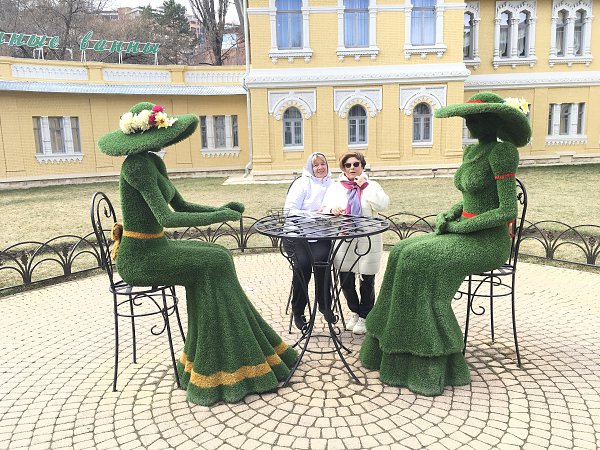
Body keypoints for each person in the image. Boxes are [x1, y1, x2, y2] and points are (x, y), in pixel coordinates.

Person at [97, 102, 297, 406]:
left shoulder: (153, 163)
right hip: (140, 258)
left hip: (158, 246)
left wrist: (221, 209)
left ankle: (242, 346)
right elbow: (167, 218)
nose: (166, 141)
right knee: (214, 262)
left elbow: (182, 205)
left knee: (220, 255)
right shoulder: (136, 166)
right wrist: (219, 218)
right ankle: (219, 364)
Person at [360, 92, 531, 396]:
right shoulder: (472, 152)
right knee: (401, 251)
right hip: (461, 233)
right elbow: (470, 198)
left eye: (472, 118)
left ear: (490, 121)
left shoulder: (503, 153)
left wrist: (463, 226)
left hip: (488, 242)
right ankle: (388, 346)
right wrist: (451, 213)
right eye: (466, 118)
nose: (467, 124)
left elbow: (507, 211)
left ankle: (434, 358)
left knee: (418, 259)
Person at [321, 152, 389, 335]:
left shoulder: (371, 185)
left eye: (356, 164)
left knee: (367, 279)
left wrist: (364, 186)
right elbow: (324, 209)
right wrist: (332, 210)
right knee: (346, 280)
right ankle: (355, 312)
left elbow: (382, 205)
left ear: (362, 166)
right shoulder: (336, 188)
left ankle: (366, 316)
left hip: (367, 239)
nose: (352, 168)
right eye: (348, 165)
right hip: (344, 240)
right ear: (343, 168)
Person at [283, 152, 333, 329]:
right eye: (316, 165)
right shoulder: (301, 184)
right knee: (303, 266)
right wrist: (313, 216)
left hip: (320, 235)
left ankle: (324, 305)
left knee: (323, 265)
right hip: (297, 235)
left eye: (323, 164)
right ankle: (298, 311)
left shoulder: (331, 184)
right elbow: (289, 211)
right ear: (310, 168)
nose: (320, 168)